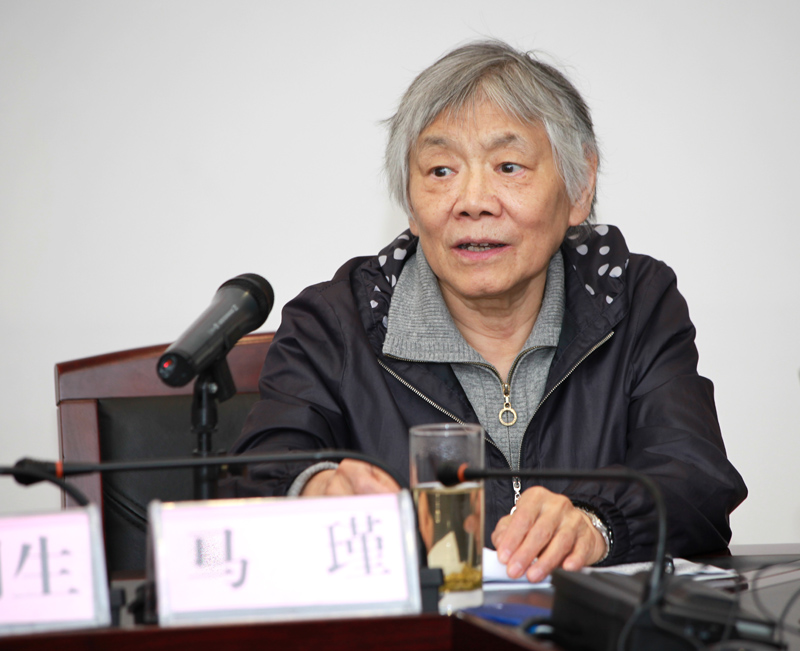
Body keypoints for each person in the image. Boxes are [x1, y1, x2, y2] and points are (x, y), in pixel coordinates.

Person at [228, 40, 747, 582]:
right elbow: (256, 476)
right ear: (410, 203)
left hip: (585, 623)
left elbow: (695, 481)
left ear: (580, 187)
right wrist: (311, 488)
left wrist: (597, 524)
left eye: (508, 166)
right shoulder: (333, 324)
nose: (473, 201)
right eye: (440, 171)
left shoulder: (633, 299)